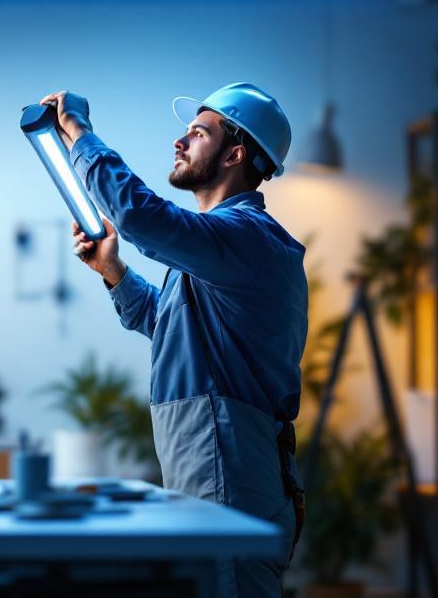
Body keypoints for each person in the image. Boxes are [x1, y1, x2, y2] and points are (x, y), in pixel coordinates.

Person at [40, 85, 307, 598]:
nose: (179, 142)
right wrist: (114, 272)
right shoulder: (216, 251)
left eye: (198, 133)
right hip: (206, 463)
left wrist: (78, 133)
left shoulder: (250, 239)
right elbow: (168, 326)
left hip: (228, 465)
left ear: (236, 154)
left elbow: (141, 218)